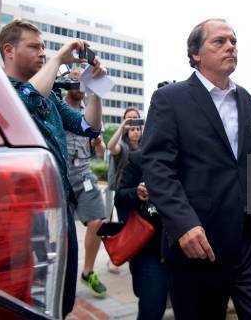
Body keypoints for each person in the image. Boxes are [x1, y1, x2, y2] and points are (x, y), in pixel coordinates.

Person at [142, 19, 251, 319]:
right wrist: (182, 224)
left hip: (249, 239)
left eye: (233, 41)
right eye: (219, 42)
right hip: (198, 241)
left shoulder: (245, 98)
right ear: (196, 54)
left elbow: (246, 156)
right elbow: (157, 166)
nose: (230, 46)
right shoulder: (169, 99)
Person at [0, 20, 105, 317]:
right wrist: (60, 57)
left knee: (62, 298)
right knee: (31, 300)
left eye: (45, 47)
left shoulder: (52, 98)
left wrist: (95, 89)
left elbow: (88, 127)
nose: (43, 53)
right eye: (35, 46)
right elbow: (26, 101)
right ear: (9, 51)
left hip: (60, 207)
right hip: (24, 214)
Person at [63, 68, 107, 297]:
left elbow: (102, 152)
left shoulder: (90, 111)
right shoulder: (56, 106)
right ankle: (62, 273)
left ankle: (88, 271)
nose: (78, 86)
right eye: (74, 81)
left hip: (84, 174)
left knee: (98, 221)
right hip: (61, 176)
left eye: (82, 83)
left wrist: (98, 141)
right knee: (62, 231)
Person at [115, 148, 168, 320]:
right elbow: (120, 197)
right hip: (151, 254)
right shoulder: (139, 159)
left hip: (185, 253)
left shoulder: (189, 158)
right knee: (151, 309)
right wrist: (136, 193)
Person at [105, 107, 142, 273]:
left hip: (141, 195)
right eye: (129, 120)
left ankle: (133, 256)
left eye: (136, 120)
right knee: (125, 227)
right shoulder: (122, 147)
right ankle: (118, 255)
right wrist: (122, 127)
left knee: (139, 227)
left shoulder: (145, 145)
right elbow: (110, 146)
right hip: (125, 194)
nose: (133, 127)